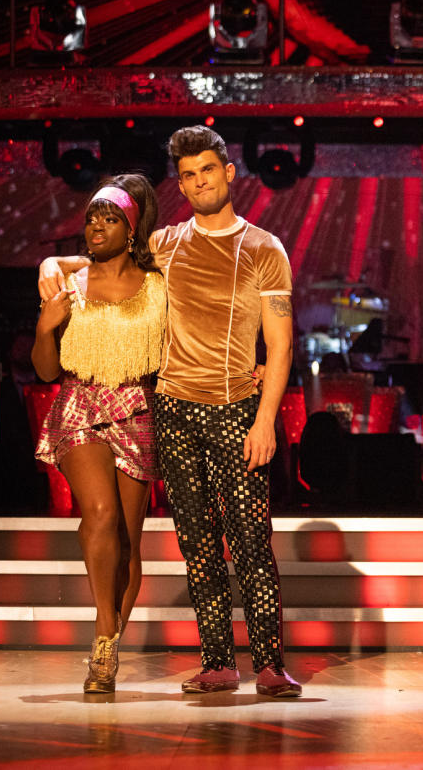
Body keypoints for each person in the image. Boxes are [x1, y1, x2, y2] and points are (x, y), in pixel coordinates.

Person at [39, 126, 300, 697]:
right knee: (196, 542)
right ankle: (216, 662)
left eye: (207, 169)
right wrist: (50, 267)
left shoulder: (263, 248)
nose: (198, 181)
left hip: (237, 407)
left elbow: (280, 345)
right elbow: (99, 260)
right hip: (174, 408)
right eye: (187, 174)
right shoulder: (167, 242)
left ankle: (269, 664)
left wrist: (265, 420)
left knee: (251, 538)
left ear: (229, 172)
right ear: (179, 184)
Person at [31, 174, 165, 693]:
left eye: (109, 219)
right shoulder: (70, 285)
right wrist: (46, 326)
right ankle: (104, 639)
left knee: (128, 548)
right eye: (90, 218)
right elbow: (45, 371)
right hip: (80, 405)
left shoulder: (158, 288)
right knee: (101, 514)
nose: (96, 228)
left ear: (131, 230)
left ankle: (108, 635)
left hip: (137, 410)